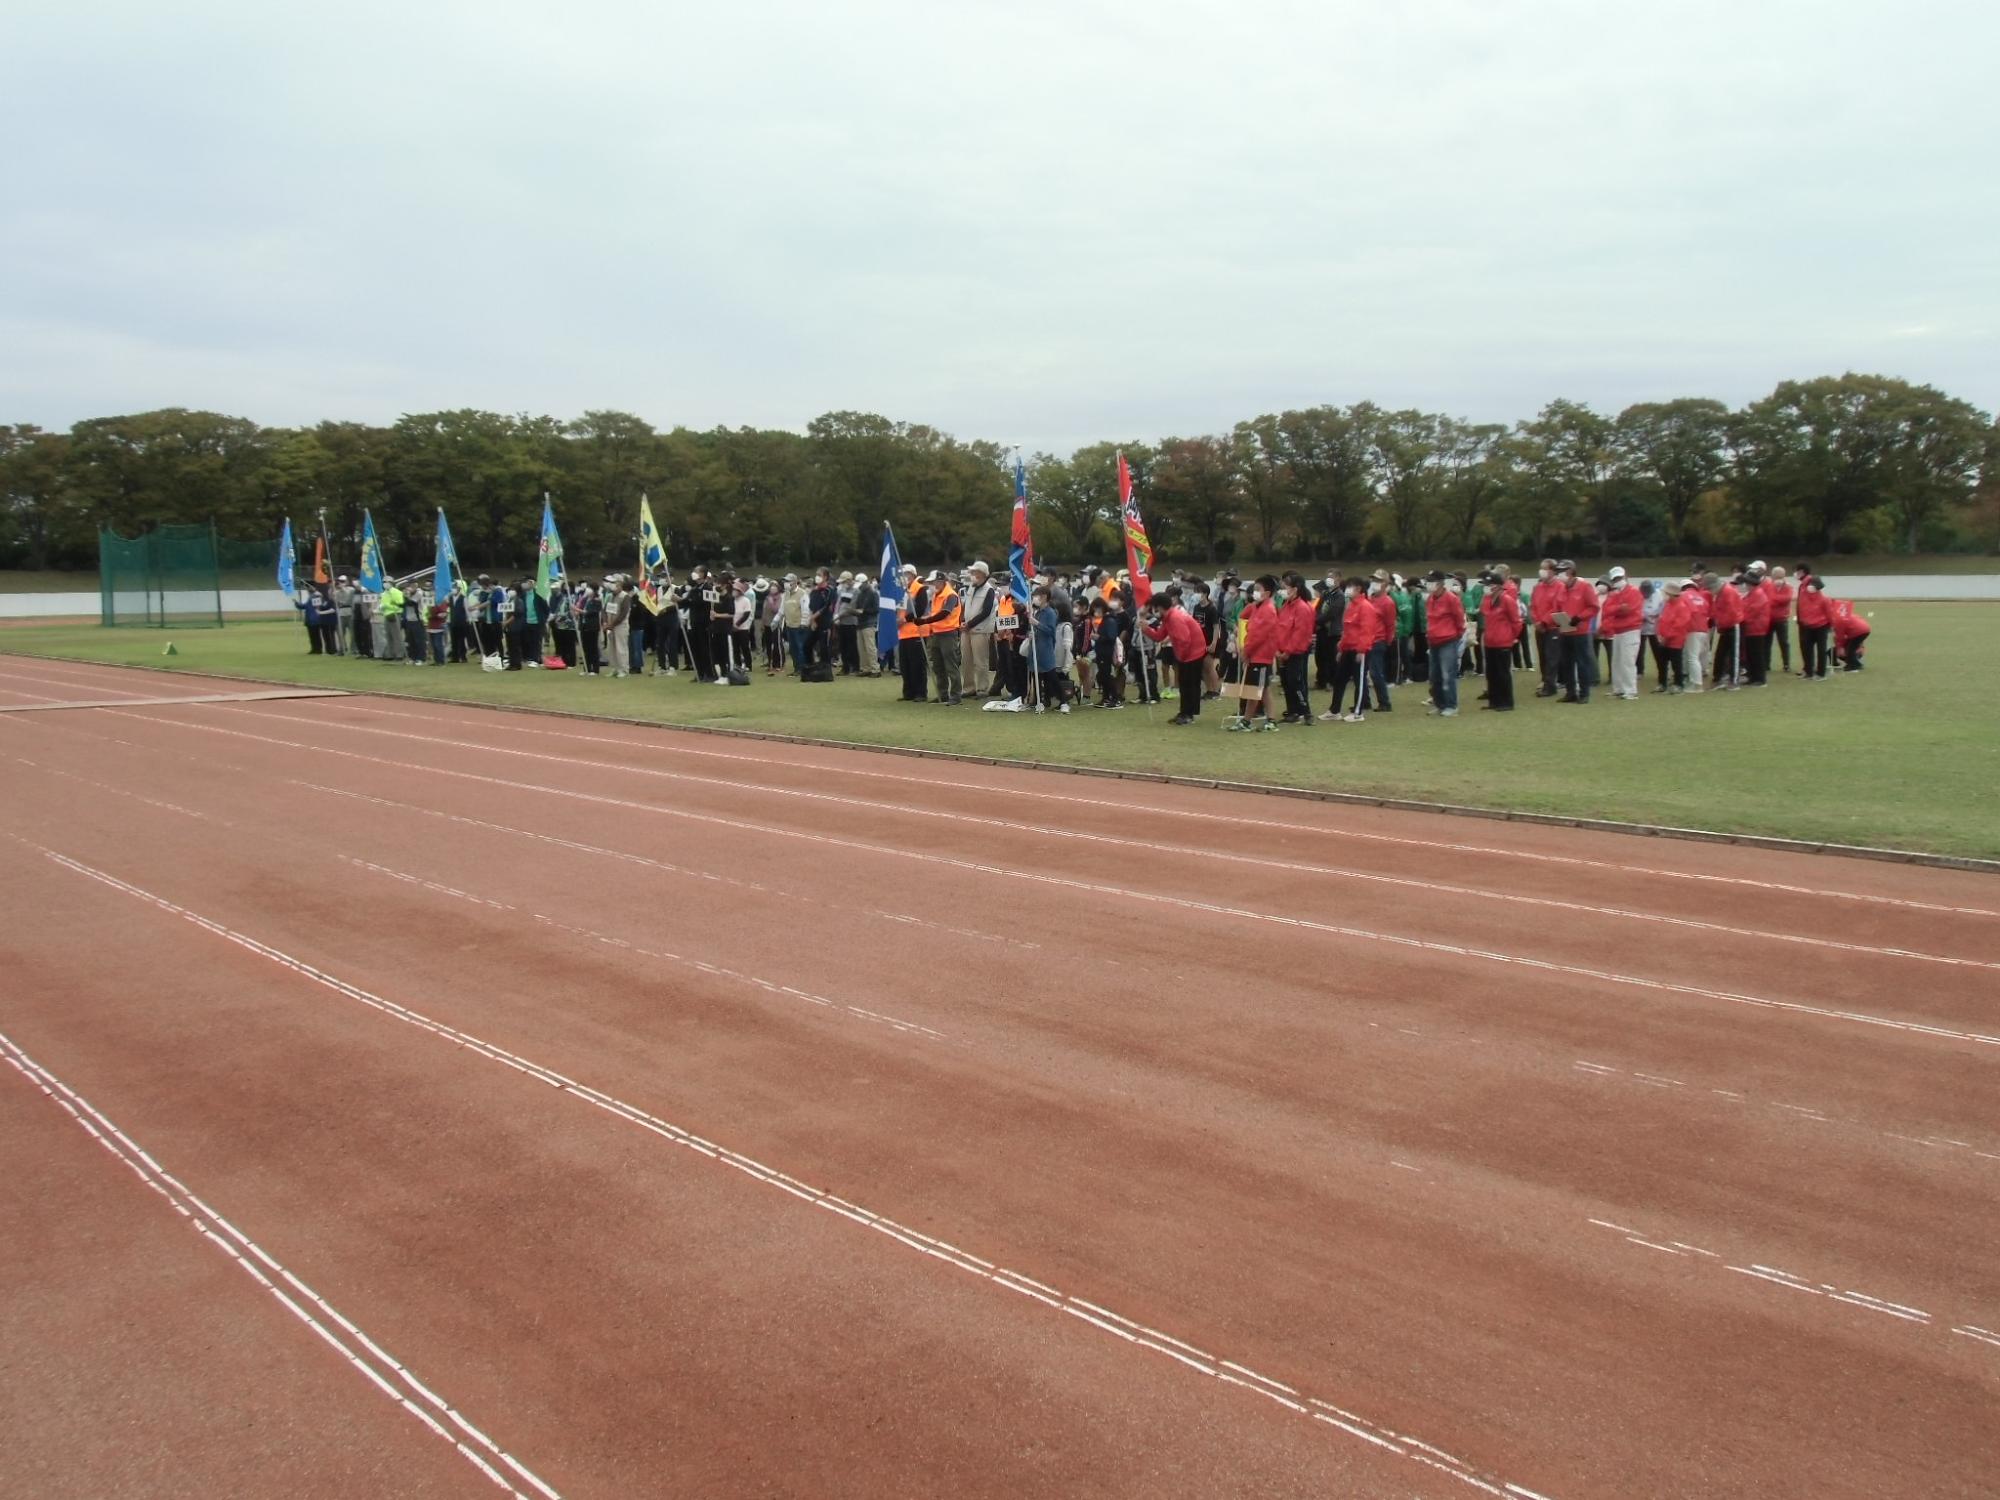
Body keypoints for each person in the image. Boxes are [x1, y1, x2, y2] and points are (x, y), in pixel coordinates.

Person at [1144, 592, 1208, 725]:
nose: (1154, 611)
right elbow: (1159, 636)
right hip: (1186, 654)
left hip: (1193, 653)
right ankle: (1184, 712)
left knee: (1189, 684)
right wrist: (1146, 629)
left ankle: (1188, 714)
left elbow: (1184, 640)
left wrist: (1182, 657)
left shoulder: (1175, 617)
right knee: (1184, 684)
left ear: (1160, 607)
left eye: (1155, 608)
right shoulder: (1167, 618)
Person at [1321, 576, 1377, 723]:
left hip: (1359, 650)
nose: (1347, 590)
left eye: (1350, 587)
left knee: (1359, 681)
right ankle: (1334, 710)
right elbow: (1346, 629)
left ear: (1358, 589)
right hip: (1348, 649)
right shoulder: (1351, 605)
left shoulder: (1366, 607)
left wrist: (1361, 650)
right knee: (1339, 679)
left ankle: (1358, 712)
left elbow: (1367, 631)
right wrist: (1341, 648)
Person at [1230, 575, 1280, 731]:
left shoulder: (1268, 610)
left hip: (1261, 656)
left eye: (1258, 590)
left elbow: (1258, 636)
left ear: (1268, 592)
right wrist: (1252, 605)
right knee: (1257, 689)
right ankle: (1251, 720)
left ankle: (1264, 721)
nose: (1254, 593)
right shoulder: (1258, 607)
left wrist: (1246, 652)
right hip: (1256, 655)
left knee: (1259, 690)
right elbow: (1242, 616)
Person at [1552, 559, 1598, 703]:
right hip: (1565, 631)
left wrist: (1580, 617)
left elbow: (1594, 607)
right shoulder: (1562, 588)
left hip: (1580, 632)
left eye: (1561, 572)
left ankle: (1584, 693)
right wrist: (1557, 619)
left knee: (1582, 663)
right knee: (1567, 663)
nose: (1558, 575)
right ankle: (1570, 692)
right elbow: (1557, 607)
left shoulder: (1585, 587)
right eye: (1558, 572)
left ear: (1570, 572)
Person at [1478, 566, 1524, 711]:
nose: (1485, 588)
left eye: (1488, 585)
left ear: (1497, 586)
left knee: (1503, 673)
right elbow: (1483, 611)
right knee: (1491, 673)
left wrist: (1511, 637)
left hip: (1503, 642)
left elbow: (1516, 622)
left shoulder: (1507, 600)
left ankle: (1506, 702)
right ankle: (1494, 700)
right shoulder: (1487, 599)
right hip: (1490, 642)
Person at [1274, 572, 1316, 724]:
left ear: (1295, 588)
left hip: (1296, 653)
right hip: (1283, 652)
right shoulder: (1286, 606)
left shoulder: (1302, 608)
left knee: (1296, 682)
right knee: (1286, 682)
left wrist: (1287, 651)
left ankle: (1306, 712)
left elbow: (1300, 633)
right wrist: (1277, 650)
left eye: (1286, 586)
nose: (1283, 589)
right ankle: (1292, 711)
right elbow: (1279, 629)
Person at [1423, 569, 1466, 716]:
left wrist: (1457, 635)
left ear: (1440, 583)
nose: (1428, 584)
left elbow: (1459, 619)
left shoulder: (1451, 599)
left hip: (1448, 640)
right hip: (1433, 641)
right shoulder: (1430, 599)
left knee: (1447, 674)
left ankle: (1451, 705)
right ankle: (1440, 704)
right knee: (1434, 676)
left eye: (1431, 581)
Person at [919, 568, 963, 704]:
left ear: (941, 581)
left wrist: (926, 620)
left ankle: (955, 695)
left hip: (948, 633)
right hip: (937, 633)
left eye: (933, 582)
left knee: (950, 665)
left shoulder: (950, 595)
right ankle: (943, 694)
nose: (932, 585)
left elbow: (945, 613)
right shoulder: (937, 595)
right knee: (938, 666)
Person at [1600, 566, 1644, 700]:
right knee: (1617, 662)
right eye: (1615, 579)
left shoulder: (1634, 592)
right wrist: (1619, 608)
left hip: (1631, 630)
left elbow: (1629, 610)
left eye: (1619, 578)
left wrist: (1617, 610)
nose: (1618, 581)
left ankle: (1631, 690)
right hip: (1618, 631)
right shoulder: (1614, 594)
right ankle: (1618, 689)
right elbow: (1607, 609)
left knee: (1627, 661)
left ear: (1625, 576)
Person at [959, 561, 997, 698]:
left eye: (974, 572)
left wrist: (969, 624)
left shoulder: (989, 590)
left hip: (980, 630)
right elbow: (965, 607)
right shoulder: (971, 588)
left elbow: (986, 612)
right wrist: (962, 621)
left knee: (980, 661)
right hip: (966, 629)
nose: (972, 575)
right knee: (966, 660)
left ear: (982, 574)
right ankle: (969, 688)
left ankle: (982, 688)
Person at [1530, 559, 1564, 697]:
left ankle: (1551, 686)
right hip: (1540, 627)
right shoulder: (1538, 587)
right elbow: (1533, 606)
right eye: (1541, 568)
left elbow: (1556, 607)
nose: (1542, 571)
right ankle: (1545, 681)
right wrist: (1537, 621)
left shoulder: (1559, 586)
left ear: (1552, 571)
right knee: (1542, 656)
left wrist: (1544, 621)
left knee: (1552, 657)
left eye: (1545, 568)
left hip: (1553, 627)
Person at [895, 565, 929, 701]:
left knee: (917, 664)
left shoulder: (920, 589)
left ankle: (920, 692)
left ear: (912, 575)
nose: (902, 577)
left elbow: (920, 610)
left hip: (917, 631)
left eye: (905, 574)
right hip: (903, 632)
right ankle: (908, 692)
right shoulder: (903, 591)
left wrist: (905, 619)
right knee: (905, 664)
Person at [1654, 580, 1692, 693]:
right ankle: (1662, 684)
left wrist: (1666, 637)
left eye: (1666, 593)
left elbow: (1678, 626)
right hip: (1664, 639)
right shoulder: (1667, 605)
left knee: (1676, 664)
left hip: (1675, 641)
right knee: (1661, 663)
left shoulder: (1682, 606)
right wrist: (1660, 635)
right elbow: (1662, 621)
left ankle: (1678, 684)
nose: (1664, 595)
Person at [1709, 570, 1744, 689]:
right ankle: (1718, 678)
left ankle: (1734, 681)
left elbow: (1732, 613)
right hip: (1724, 626)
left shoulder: (1728, 592)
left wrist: (1722, 624)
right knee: (1720, 653)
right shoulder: (1720, 593)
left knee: (1734, 654)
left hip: (1733, 625)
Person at [1797, 573, 1833, 679]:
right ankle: (1808, 671)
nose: (1810, 587)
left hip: (1821, 627)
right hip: (1806, 626)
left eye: (1813, 585)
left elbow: (1829, 614)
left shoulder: (1824, 600)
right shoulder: (1803, 595)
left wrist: (1831, 626)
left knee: (1821, 649)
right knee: (1806, 649)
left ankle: (1821, 673)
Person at [1766, 566, 1796, 673]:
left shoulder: (1788, 587)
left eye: (1779, 576)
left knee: (1783, 642)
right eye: (1775, 576)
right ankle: (1766, 664)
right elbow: (1768, 599)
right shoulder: (1768, 586)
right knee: (1767, 642)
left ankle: (1786, 664)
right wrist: (1776, 600)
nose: (1777, 578)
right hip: (1768, 618)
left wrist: (1774, 599)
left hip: (1781, 619)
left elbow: (1786, 599)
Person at [1831, 594, 1871, 670]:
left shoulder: (1838, 619)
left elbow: (1840, 635)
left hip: (1859, 631)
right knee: (1848, 649)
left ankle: (1856, 665)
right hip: (1864, 629)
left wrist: (1840, 647)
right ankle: (1844, 663)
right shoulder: (1842, 614)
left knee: (1850, 650)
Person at [379, 577, 406, 663]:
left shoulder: (396, 592)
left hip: (395, 615)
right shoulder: (384, 593)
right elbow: (382, 604)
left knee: (396, 636)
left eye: (386, 582)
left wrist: (388, 606)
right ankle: (390, 654)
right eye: (383, 582)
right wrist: (381, 608)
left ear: (391, 583)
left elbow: (400, 605)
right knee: (389, 636)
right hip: (386, 615)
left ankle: (399, 654)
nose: (385, 583)